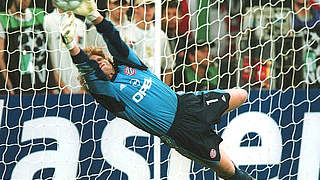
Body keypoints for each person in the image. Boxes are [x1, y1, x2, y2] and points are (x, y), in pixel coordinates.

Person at [58, 0, 254, 179]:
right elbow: (87, 69)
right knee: (228, 170)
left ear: (107, 59)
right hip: (181, 132)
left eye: (100, 60)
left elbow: (114, 40)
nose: (98, 64)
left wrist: (96, 17)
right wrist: (72, 45)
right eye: (95, 65)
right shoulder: (109, 95)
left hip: (188, 103)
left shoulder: (129, 66)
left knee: (242, 95)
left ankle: (210, 120)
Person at [0, 0, 62, 95]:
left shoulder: (39, 15)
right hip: (19, 87)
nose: (25, 1)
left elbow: (47, 54)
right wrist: (9, 86)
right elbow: (1, 58)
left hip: (43, 85)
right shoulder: (3, 19)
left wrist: (53, 84)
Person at [128, 0, 175, 86]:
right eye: (145, 6)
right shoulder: (126, 32)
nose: (148, 9)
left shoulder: (160, 35)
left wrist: (164, 89)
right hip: (132, 85)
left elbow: (169, 67)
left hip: (154, 87)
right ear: (136, 8)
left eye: (151, 6)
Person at [44, 5, 88, 94]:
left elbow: (86, 57)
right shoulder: (47, 21)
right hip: (57, 89)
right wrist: (60, 85)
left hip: (80, 89)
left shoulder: (81, 24)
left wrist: (84, 86)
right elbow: (45, 57)